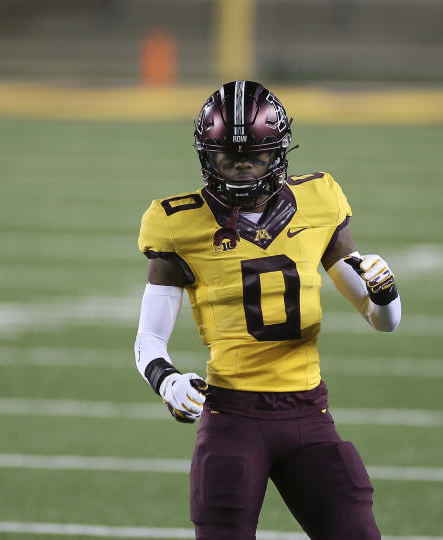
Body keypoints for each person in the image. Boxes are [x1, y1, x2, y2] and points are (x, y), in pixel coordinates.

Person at [133, 80, 401, 540]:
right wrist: (167, 379)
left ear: (277, 155)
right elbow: (148, 340)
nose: (240, 170)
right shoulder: (176, 223)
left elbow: (383, 322)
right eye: (227, 159)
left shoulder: (319, 200)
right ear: (206, 156)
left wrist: (385, 294)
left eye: (253, 158)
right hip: (232, 416)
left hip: (308, 413)